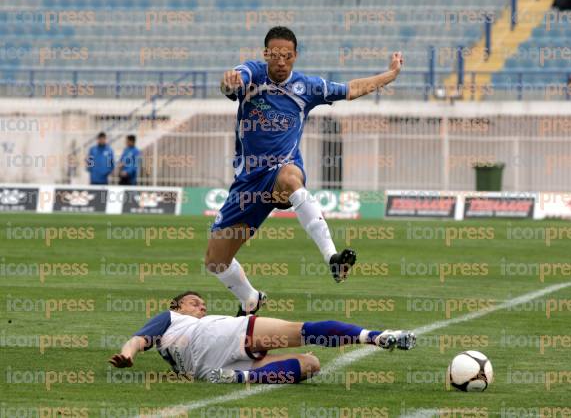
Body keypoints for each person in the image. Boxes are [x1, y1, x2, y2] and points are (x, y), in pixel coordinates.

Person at [205, 26, 404, 315]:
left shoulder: (307, 87)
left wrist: (391, 75)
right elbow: (232, 84)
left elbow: (352, 89)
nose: (281, 62)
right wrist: (227, 82)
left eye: (287, 56)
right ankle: (250, 299)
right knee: (215, 260)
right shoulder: (252, 74)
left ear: (295, 56)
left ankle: (332, 257)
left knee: (289, 176)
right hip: (247, 183)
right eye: (275, 55)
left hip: (281, 173)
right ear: (266, 54)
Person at [108, 291, 416, 383]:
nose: (201, 305)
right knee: (302, 330)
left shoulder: (181, 328)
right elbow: (136, 340)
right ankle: (376, 337)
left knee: (310, 363)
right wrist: (128, 354)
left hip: (205, 370)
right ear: (177, 305)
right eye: (194, 301)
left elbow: (141, 344)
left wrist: (245, 311)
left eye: (202, 303)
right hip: (222, 336)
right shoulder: (170, 317)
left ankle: (241, 378)